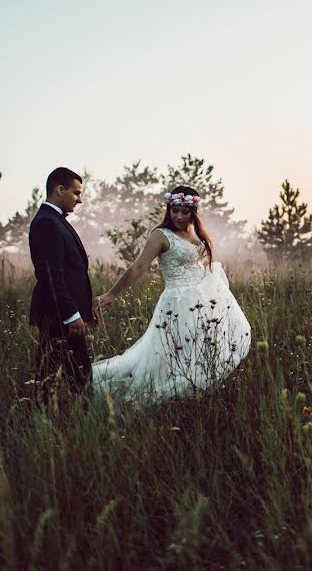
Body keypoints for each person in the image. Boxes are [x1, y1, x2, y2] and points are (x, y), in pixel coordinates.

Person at [92, 185, 250, 404]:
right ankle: (144, 396)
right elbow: (138, 267)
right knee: (167, 355)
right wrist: (111, 294)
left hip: (201, 302)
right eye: (174, 210)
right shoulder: (161, 235)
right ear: (169, 209)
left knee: (199, 352)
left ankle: (193, 398)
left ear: (193, 212)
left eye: (184, 211)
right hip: (177, 303)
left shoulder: (195, 234)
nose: (178, 215)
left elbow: (197, 263)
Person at [28, 167, 95, 404]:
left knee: (53, 373)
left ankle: (41, 416)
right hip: (58, 316)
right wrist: (71, 314)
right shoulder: (47, 223)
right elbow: (51, 276)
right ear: (59, 190)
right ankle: (81, 421)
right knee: (79, 375)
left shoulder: (54, 220)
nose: (80, 199)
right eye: (76, 193)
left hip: (62, 315)